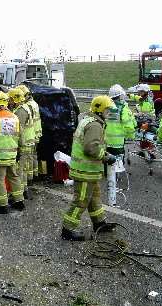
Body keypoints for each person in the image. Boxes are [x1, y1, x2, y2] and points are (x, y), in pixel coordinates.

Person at [61, 96, 117, 241]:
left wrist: (105, 153)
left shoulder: (89, 120)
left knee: (94, 197)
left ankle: (99, 223)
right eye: (107, 110)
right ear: (99, 109)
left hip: (88, 171)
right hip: (85, 171)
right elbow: (91, 148)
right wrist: (106, 157)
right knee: (81, 200)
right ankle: (68, 229)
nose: (109, 113)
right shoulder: (95, 125)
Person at [8, 87, 35, 200]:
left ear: (15, 99)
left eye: (10, 99)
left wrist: (16, 145)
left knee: (19, 170)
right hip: (28, 142)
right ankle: (23, 191)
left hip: (24, 143)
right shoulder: (24, 107)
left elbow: (18, 129)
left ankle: (18, 195)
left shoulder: (20, 111)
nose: (8, 101)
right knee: (22, 169)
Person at [17, 84, 42, 182]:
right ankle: (33, 175)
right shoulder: (34, 103)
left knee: (27, 159)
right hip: (35, 132)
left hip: (29, 134)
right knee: (32, 156)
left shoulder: (27, 106)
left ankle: (29, 178)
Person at [105, 84, 136, 156]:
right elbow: (128, 126)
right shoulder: (123, 108)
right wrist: (132, 136)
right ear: (120, 96)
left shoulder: (106, 107)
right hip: (117, 144)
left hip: (105, 142)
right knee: (118, 165)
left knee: (107, 164)